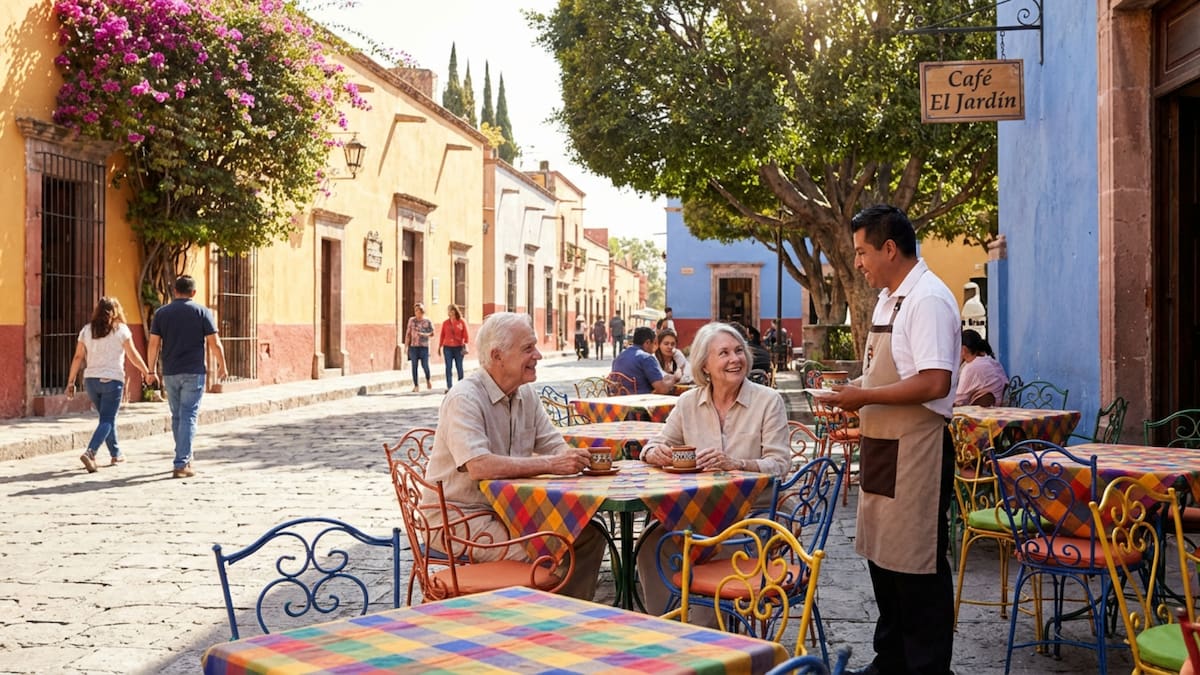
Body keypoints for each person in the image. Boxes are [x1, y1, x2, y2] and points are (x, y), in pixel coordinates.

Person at [822, 205, 960, 675]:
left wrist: (862, 395)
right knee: (884, 559)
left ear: (889, 248)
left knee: (917, 567)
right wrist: (850, 393)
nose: (857, 262)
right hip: (883, 445)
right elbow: (888, 371)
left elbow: (934, 382)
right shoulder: (889, 299)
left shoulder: (928, 300)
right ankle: (891, 661)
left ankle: (926, 668)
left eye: (862, 252)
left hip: (918, 450)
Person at [421, 312, 606, 599]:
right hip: (460, 521)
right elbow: (479, 466)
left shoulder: (525, 394)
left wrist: (580, 459)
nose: (539, 355)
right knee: (554, 550)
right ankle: (532, 621)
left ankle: (567, 620)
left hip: (510, 512)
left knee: (589, 535)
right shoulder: (465, 398)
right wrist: (551, 465)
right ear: (497, 356)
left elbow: (554, 445)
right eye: (528, 348)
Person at [636, 321, 791, 616]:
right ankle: (668, 625)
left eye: (738, 351)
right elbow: (653, 445)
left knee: (715, 552)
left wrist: (738, 464)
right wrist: (655, 453)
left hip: (755, 515)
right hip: (696, 512)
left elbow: (781, 465)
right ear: (704, 365)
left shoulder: (768, 401)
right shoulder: (688, 403)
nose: (735, 359)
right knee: (650, 543)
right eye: (724, 354)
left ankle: (705, 643)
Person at [146, 275, 229, 479]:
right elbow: (214, 342)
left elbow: (153, 344)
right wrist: (222, 364)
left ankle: (184, 456)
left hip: (171, 372)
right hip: (193, 372)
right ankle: (182, 462)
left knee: (178, 416)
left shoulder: (161, 313)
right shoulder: (202, 312)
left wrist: (150, 370)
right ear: (193, 292)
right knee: (189, 416)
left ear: (174, 291)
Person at [66, 297, 155, 472]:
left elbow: (78, 357)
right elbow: (132, 354)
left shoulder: (87, 330)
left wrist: (71, 381)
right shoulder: (121, 330)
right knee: (107, 419)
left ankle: (116, 453)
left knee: (106, 418)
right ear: (116, 312)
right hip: (112, 381)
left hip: (91, 381)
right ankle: (90, 452)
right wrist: (147, 372)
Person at [611, 326, 678, 394]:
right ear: (647, 343)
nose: (655, 347)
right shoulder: (646, 358)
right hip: (639, 401)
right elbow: (662, 390)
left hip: (617, 399)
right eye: (654, 343)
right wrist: (674, 379)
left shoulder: (619, 356)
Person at [954, 329, 1007, 407]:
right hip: (996, 409)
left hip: (976, 415)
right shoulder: (993, 362)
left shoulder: (970, 368)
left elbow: (959, 400)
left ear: (964, 349)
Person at [405, 303, 434, 392]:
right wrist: (406, 346)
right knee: (414, 366)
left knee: (425, 365)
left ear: (422, 311)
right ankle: (416, 385)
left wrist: (424, 334)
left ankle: (428, 379)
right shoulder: (411, 320)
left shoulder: (427, 321)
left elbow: (432, 333)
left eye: (418, 310)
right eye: (416, 310)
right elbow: (408, 333)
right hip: (413, 346)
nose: (417, 312)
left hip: (424, 347)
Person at [439, 304, 468, 390]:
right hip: (447, 347)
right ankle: (449, 386)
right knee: (448, 367)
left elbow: (465, 334)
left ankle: (461, 385)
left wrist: (465, 343)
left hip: (458, 347)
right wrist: (439, 346)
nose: (450, 312)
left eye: (452, 310)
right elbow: (442, 335)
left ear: (455, 311)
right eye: (449, 310)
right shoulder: (445, 323)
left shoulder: (461, 322)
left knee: (459, 366)